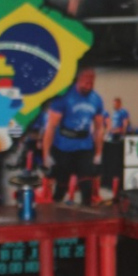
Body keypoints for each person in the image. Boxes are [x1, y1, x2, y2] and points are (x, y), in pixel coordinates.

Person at [43, 67, 106, 204]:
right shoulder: (64, 97)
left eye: (91, 83)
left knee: (87, 187)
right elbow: (51, 127)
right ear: (78, 79)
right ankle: (54, 216)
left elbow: (99, 128)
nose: (88, 86)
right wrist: (46, 154)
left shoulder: (96, 99)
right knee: (61, 189)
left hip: (85, 147)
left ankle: (87, 219)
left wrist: (98, 154)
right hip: (63, 148)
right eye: (85, 82)